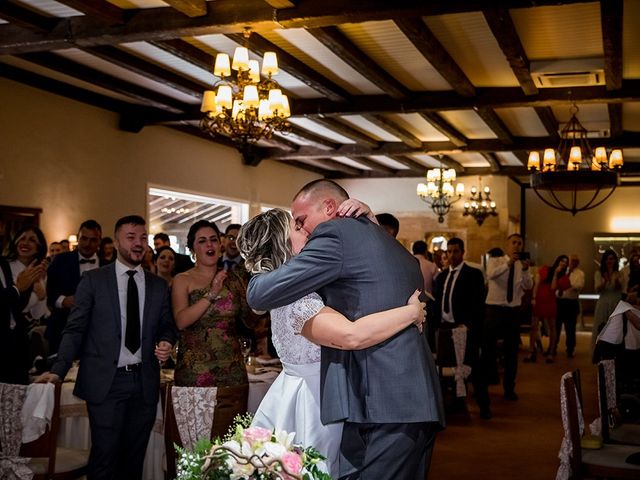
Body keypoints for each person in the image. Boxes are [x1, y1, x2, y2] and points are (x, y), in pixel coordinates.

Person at [247, 179, 445, 480]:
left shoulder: (335, 234)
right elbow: (356, 324)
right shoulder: (378, 240)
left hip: (384, 402)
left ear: (329, 208)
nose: (307, 231)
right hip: (393, 399)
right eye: (297, 228)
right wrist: (410, 312)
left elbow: (259, 294)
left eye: (302, 221)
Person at [36, 215, 176, 480]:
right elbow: (74, 329)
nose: (138, 244)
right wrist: (58, 369)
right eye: (131, 237)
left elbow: (166, 324)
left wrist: (167, 340)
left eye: (142, 238)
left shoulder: (158, 285)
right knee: (105, 459)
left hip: (144, 383)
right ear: (117, 241)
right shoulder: (94, 280)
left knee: (134, 460)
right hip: (107, 382)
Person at [171, 220, 257, 437]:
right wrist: (212, 292)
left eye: (213, 240)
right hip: (195, 374)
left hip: (232, 371)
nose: (209, 245)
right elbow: (181, 320)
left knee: (230, 444)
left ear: (220, 246)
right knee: (196, 444)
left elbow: (252, 321)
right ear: (192, 250)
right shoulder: (183, 279)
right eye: (202, 241)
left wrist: (259, 295)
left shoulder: (234, 278)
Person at [432, 237, 489, 419]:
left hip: (465, 328)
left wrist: (471, 326)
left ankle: (484, 407)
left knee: (473, 369)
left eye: (455, 251)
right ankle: (455, 405)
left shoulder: (473, 274)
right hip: (446, 328)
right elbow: (438, 303)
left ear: (462, 253)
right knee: (448, 369)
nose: (451, 255)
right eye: (448, 251)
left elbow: (478, 303)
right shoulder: (441, 277)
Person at [483, 234, 533, 402]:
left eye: (520, 243)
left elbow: (528, 286)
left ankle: (509, 388)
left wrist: (526, 270)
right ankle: (487, 382)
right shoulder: (496, 260)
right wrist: (508, 263)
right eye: (514, 242)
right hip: (494, 309)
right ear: (507, 245)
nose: (517, 246)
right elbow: (491, 275)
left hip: (512, 311)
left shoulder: (522, 265)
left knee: (511, 352)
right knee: (489, 348)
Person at [1, 225, 49, 384]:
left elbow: (36, 314)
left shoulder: (39, 271)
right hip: (3, 337)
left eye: (32, 240)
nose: (25, 243)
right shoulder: (3, 266)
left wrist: (41, 295)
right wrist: (22, 288)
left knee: (19, 389)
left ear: (39, 247)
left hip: (19, 339)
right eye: (22, 238)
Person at [46, 219, 102, 355]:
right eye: (84, 239)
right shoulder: (61, 260)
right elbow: (50, 292)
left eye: (93, 240)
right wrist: (63, 301)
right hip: (63, 329)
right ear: (78, 238)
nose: (88, 244)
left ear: (99, 241)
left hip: (98, 334)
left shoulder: (109, 265)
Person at [527, 255, 568, 364]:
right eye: (562, 260)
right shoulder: (545, 269)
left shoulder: (563, 277)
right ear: (557, 260)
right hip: (539, 298)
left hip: (550, 301)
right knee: (534, 326)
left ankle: (550, 352)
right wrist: (534, 297)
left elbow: (553, 288)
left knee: (552, 327)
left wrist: (555, 274)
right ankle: (531, 351)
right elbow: (537, 283)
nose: (563, 263)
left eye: (565, 262)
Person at [592, 249, 625, 355]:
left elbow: (620, 288)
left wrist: (615, 279)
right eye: (607, 259)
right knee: (601, 327)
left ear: (615, 260)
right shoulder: (599, 273)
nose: (609, 261)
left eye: (611, 259)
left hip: (615, 302)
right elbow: (597, 289)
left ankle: (614, 353)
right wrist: (605, 280)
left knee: (615, 329)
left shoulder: (619, 273)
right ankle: (600, 352)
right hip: (603, 302)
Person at [554, 254, 585, 358]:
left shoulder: (580, 273)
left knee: (570, 328)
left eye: (575, 261)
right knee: (556, 326)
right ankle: (553, 347)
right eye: (572, 260)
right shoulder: (562, 270)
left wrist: (567, 284)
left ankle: (570, 349)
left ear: (578, 262)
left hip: (571, 303)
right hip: (559, 302)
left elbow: (578, 286)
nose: (573, 262)